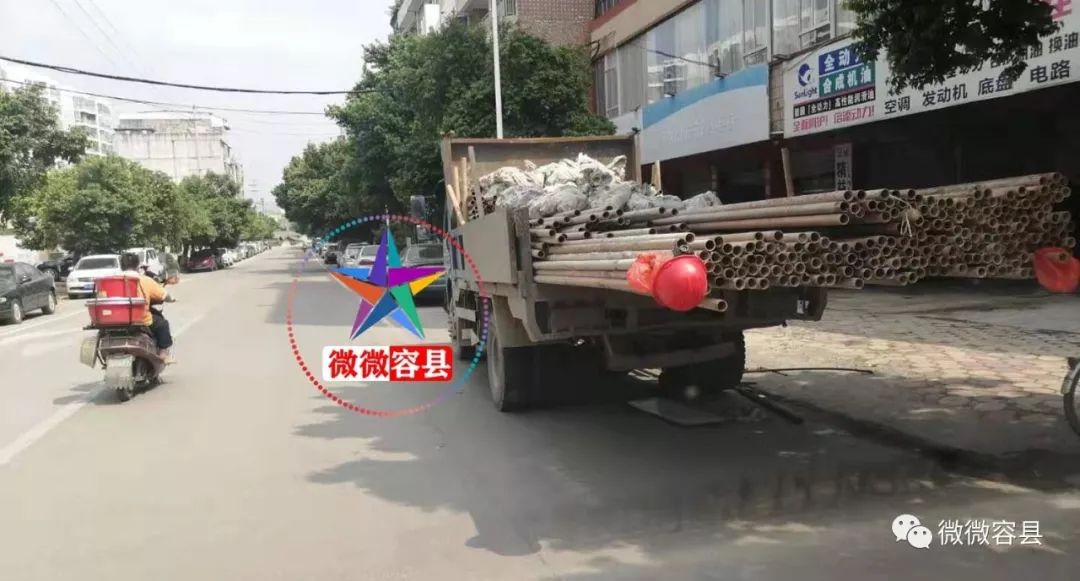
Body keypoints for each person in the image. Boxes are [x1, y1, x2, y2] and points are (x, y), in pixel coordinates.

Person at [119, 253, 175, 364]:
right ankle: (163, 354)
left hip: (116, 320)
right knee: (163, 324)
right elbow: (163, 295)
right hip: (141, 319)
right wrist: (171, 299)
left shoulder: (113, 280)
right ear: (137, 265)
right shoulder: (144, 280)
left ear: (121, 265)